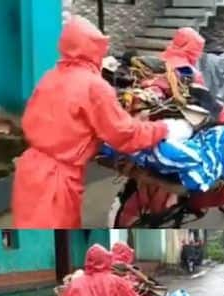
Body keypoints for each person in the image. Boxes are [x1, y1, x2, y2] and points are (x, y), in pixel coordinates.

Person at [11, 16, 180, 229]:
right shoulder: (94, 87)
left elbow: (40, 119)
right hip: (56, 182)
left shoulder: (50, 77)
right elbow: (125, 134)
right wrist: (162, 128)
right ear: (94, 49)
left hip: (30, 171)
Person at [158, 27, 224, 210]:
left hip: (162, 116)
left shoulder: (161, 61)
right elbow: (208, 104)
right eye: (197, 50)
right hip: (182, 122)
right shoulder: (187, 72)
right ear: (192, 49)